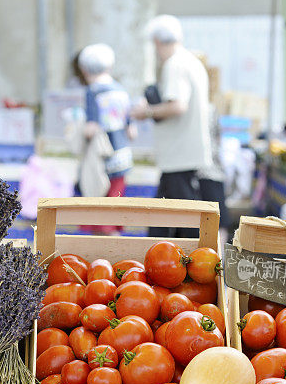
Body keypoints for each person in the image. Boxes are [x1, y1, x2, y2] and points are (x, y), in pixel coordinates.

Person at [131, 15, 213, 238]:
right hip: (186, 152)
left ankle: (188, 264)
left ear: (157, 41)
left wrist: (145, 111)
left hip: (179, 154)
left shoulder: (175, 65)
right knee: (172, 215)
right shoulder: (191, 61)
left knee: (180, 218)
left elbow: (178, 106)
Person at [77, 43, 136, 201]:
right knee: (117, 202)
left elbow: (91, 127)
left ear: (84, 69)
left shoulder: (93, 91)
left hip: (103, 157)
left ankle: (103, 227)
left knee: (99, 204)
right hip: (122, 156)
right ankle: (117, 226)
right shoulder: (121, 90)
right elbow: (131, 131)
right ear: (110, 66)